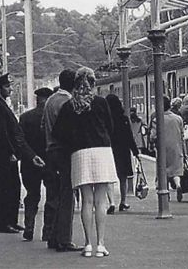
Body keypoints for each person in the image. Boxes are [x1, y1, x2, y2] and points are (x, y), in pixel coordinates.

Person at [52, 67, 116, 258]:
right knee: (101, 201)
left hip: (79, 154)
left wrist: (74, 140)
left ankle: (88, 244)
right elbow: (110, 127)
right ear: (94, 83)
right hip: (102, 152)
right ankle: (100, 245)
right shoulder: (101, 103)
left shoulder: (69, 106)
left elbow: (58, 134)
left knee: (86, 201)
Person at [0, 73, 45, 234]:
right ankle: (4, 222)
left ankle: (11, 220)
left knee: (13, 185)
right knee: (7, 186)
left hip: (9, 152)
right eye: (7, 87)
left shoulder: (0, 104)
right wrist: (10, 152)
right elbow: (2, 133)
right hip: (6, 153)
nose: (10, 89)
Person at [43, 69, 82, 252]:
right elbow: (71, 130)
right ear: (74, 84)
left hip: (50, 151)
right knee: (67, 195)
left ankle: (52, 236)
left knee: (54, 195)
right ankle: (64, 239)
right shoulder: (67, 102)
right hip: (64, 152)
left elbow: (43, 125)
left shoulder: (50, 100)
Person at [18, 87, 56, 241]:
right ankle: (47, 231)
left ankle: (29, 227)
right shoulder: (52, 117)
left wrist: (30, 156)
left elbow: (20, 140)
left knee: (32, 195)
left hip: (29, 163)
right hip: (49, 161)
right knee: (52, 196)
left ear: (37, 99)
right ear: (49, 99)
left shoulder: (25, 117)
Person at [105, 94, 139, 214]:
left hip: (109, 150)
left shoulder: (105, 119)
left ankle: (111, 202)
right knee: (122, 177)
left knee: (109, 178)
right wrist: (135, 151)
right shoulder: (124, 119)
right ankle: (123, 201)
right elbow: (129, 137)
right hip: (123, 151)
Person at [150, 96, 186, 202]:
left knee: (163, 171)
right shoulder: (178, 119)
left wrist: (152, 142)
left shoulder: (157, 120)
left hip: (162, 149)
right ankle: (178, 185)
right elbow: (182, 134)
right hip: (176, 147)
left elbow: (153, 136)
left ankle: (166, 193)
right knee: (176, 171)